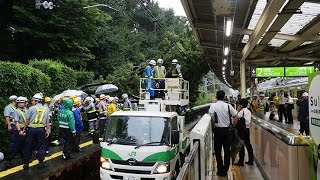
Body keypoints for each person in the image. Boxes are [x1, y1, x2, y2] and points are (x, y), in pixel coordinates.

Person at [209, 90, 238, 177]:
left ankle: (220, 170)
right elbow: (236, 116)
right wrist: (232, 125)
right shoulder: (228, 106)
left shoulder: (213, 106)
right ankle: (225, 170)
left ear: (216, 96)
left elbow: (213, 119)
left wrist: (213, 127)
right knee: (227, 151)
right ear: (224, 96)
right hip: (228, 131)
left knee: (217, 151)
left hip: (218, 131)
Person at [23, 93, 50, 169]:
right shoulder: (46, 109)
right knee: (41, 146)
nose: (32, 102)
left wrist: (24, 129)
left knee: (28, 146)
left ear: (36, 101)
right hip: (41, 130)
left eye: (33, 100)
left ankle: (26, 164)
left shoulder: (31, 108)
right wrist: (47, 130)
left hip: (31, 130)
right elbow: (48, 121)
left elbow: (27, 120)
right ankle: (41, 163)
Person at [4, 97, 27, 168]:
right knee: (15, 144)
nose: (23, 103)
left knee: (22, 144)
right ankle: (9, 159)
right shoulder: (12, 109)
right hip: (16, 128)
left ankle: (24, 158)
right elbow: (9, 118)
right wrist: (18, 130)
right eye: (21, 102)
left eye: (23, 102)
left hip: (23, 128)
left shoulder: (25, 110)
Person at [234, 99, 254, 166]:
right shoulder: (248, 111)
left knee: (241, 145)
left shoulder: (241, 112)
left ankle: (241, 161)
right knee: (248, 145)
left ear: (241, 105)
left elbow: (236, 117)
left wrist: (238, 110)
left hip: (242, 130)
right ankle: (251, 160)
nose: (239, 105)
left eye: (239, 104)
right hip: (247, 129)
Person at [3, 95, 18, 162]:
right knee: (12, 141)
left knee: (15, 140)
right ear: (13, 100)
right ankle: (10, 155)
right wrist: (9, 125)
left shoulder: (14, 107)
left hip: (15, 125)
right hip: (11, 125)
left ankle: (14, 154)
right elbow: (7, 117)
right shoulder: (8, 107)